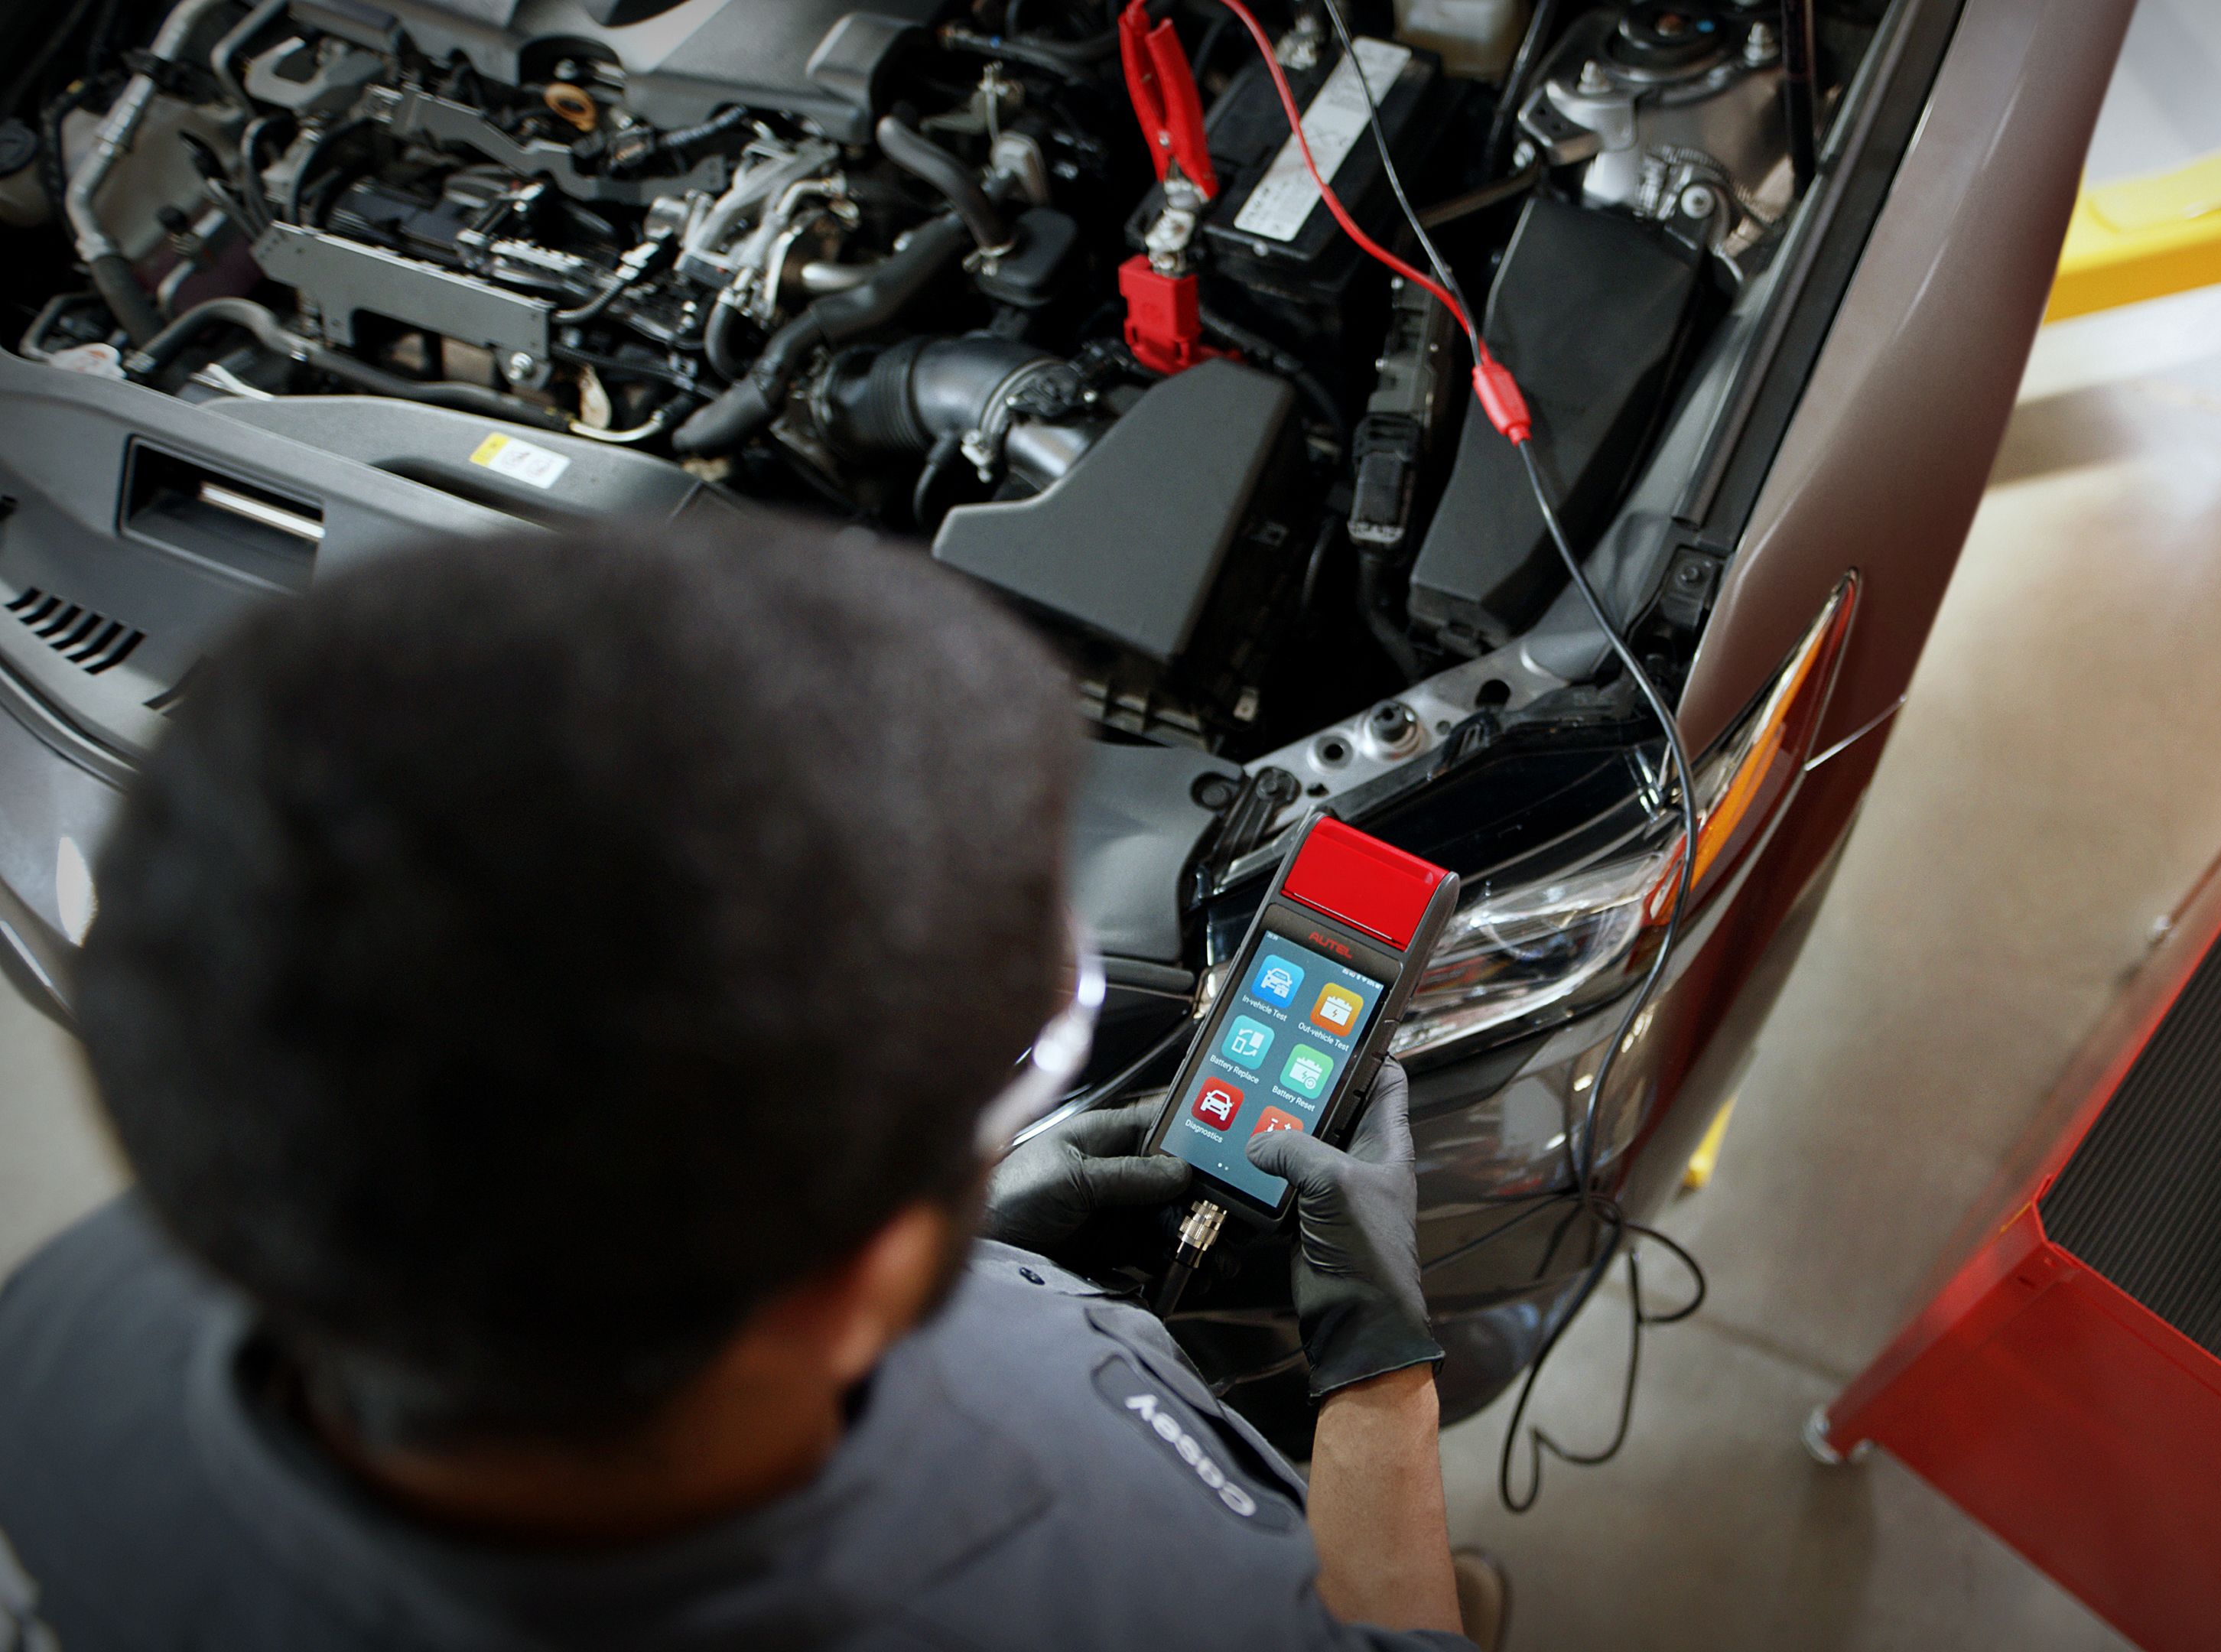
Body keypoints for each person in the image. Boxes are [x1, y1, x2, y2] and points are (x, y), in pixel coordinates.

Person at [0, 519, 1503, 1650]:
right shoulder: (1121, 1577)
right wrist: (1374, 1378)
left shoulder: (77, 1339)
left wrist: (980, 1255)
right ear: (847, 1286)